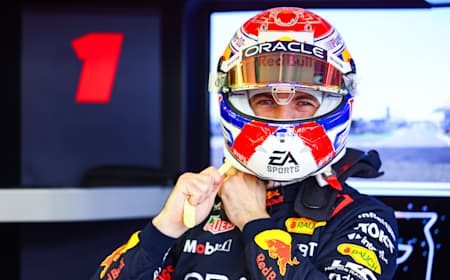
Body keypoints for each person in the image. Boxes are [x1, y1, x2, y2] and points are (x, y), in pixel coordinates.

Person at [91, 6, 399, 280]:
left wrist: (254, 222)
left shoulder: (363, 218)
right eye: (265, 99)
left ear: (336, 105)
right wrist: (164, 229)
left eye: (304, 101)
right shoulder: (198, 208)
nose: (283, 116)